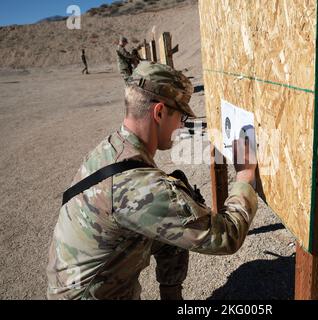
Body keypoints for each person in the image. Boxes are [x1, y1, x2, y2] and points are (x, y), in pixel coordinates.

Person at [46, 61, 258, 300]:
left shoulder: (114, 147)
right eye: (181, 117)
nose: (181, 125)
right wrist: (245, 174)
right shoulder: (139, 186)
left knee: (174, 233)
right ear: (159, 112)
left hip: (78, 280)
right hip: (89, 295)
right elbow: (227, 236)